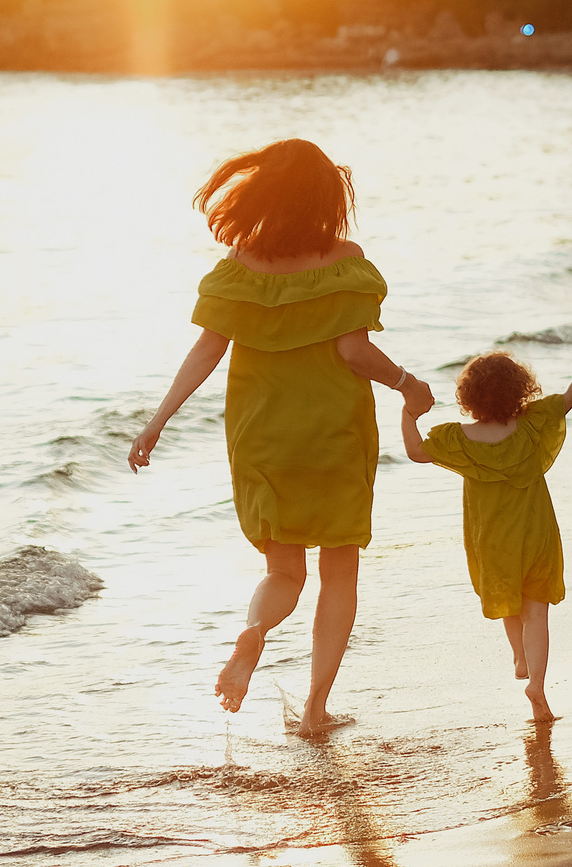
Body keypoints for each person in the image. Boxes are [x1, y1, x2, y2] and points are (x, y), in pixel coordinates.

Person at [130, 140, 435, 737]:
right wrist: (407, 384)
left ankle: (254, 634)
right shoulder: (346, 261)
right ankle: (316, 708)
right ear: (327, 198)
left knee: (284, 571)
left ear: (263, 195)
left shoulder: (236, 268)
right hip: (332, 433)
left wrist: (157, 421)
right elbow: (353, 350)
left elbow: (207, 351)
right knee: (338, 571)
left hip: (261, 435)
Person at [401, 347, 572, 724]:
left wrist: (408, 413)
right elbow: (571, 395)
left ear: (467, 397)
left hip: (492, 540)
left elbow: (416, 452)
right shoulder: (533, 426)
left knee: (507, 596)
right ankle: (538, 684)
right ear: (520, 390)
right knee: (537, 610)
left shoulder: (458, 439)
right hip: (536, 533)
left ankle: (518, 654)